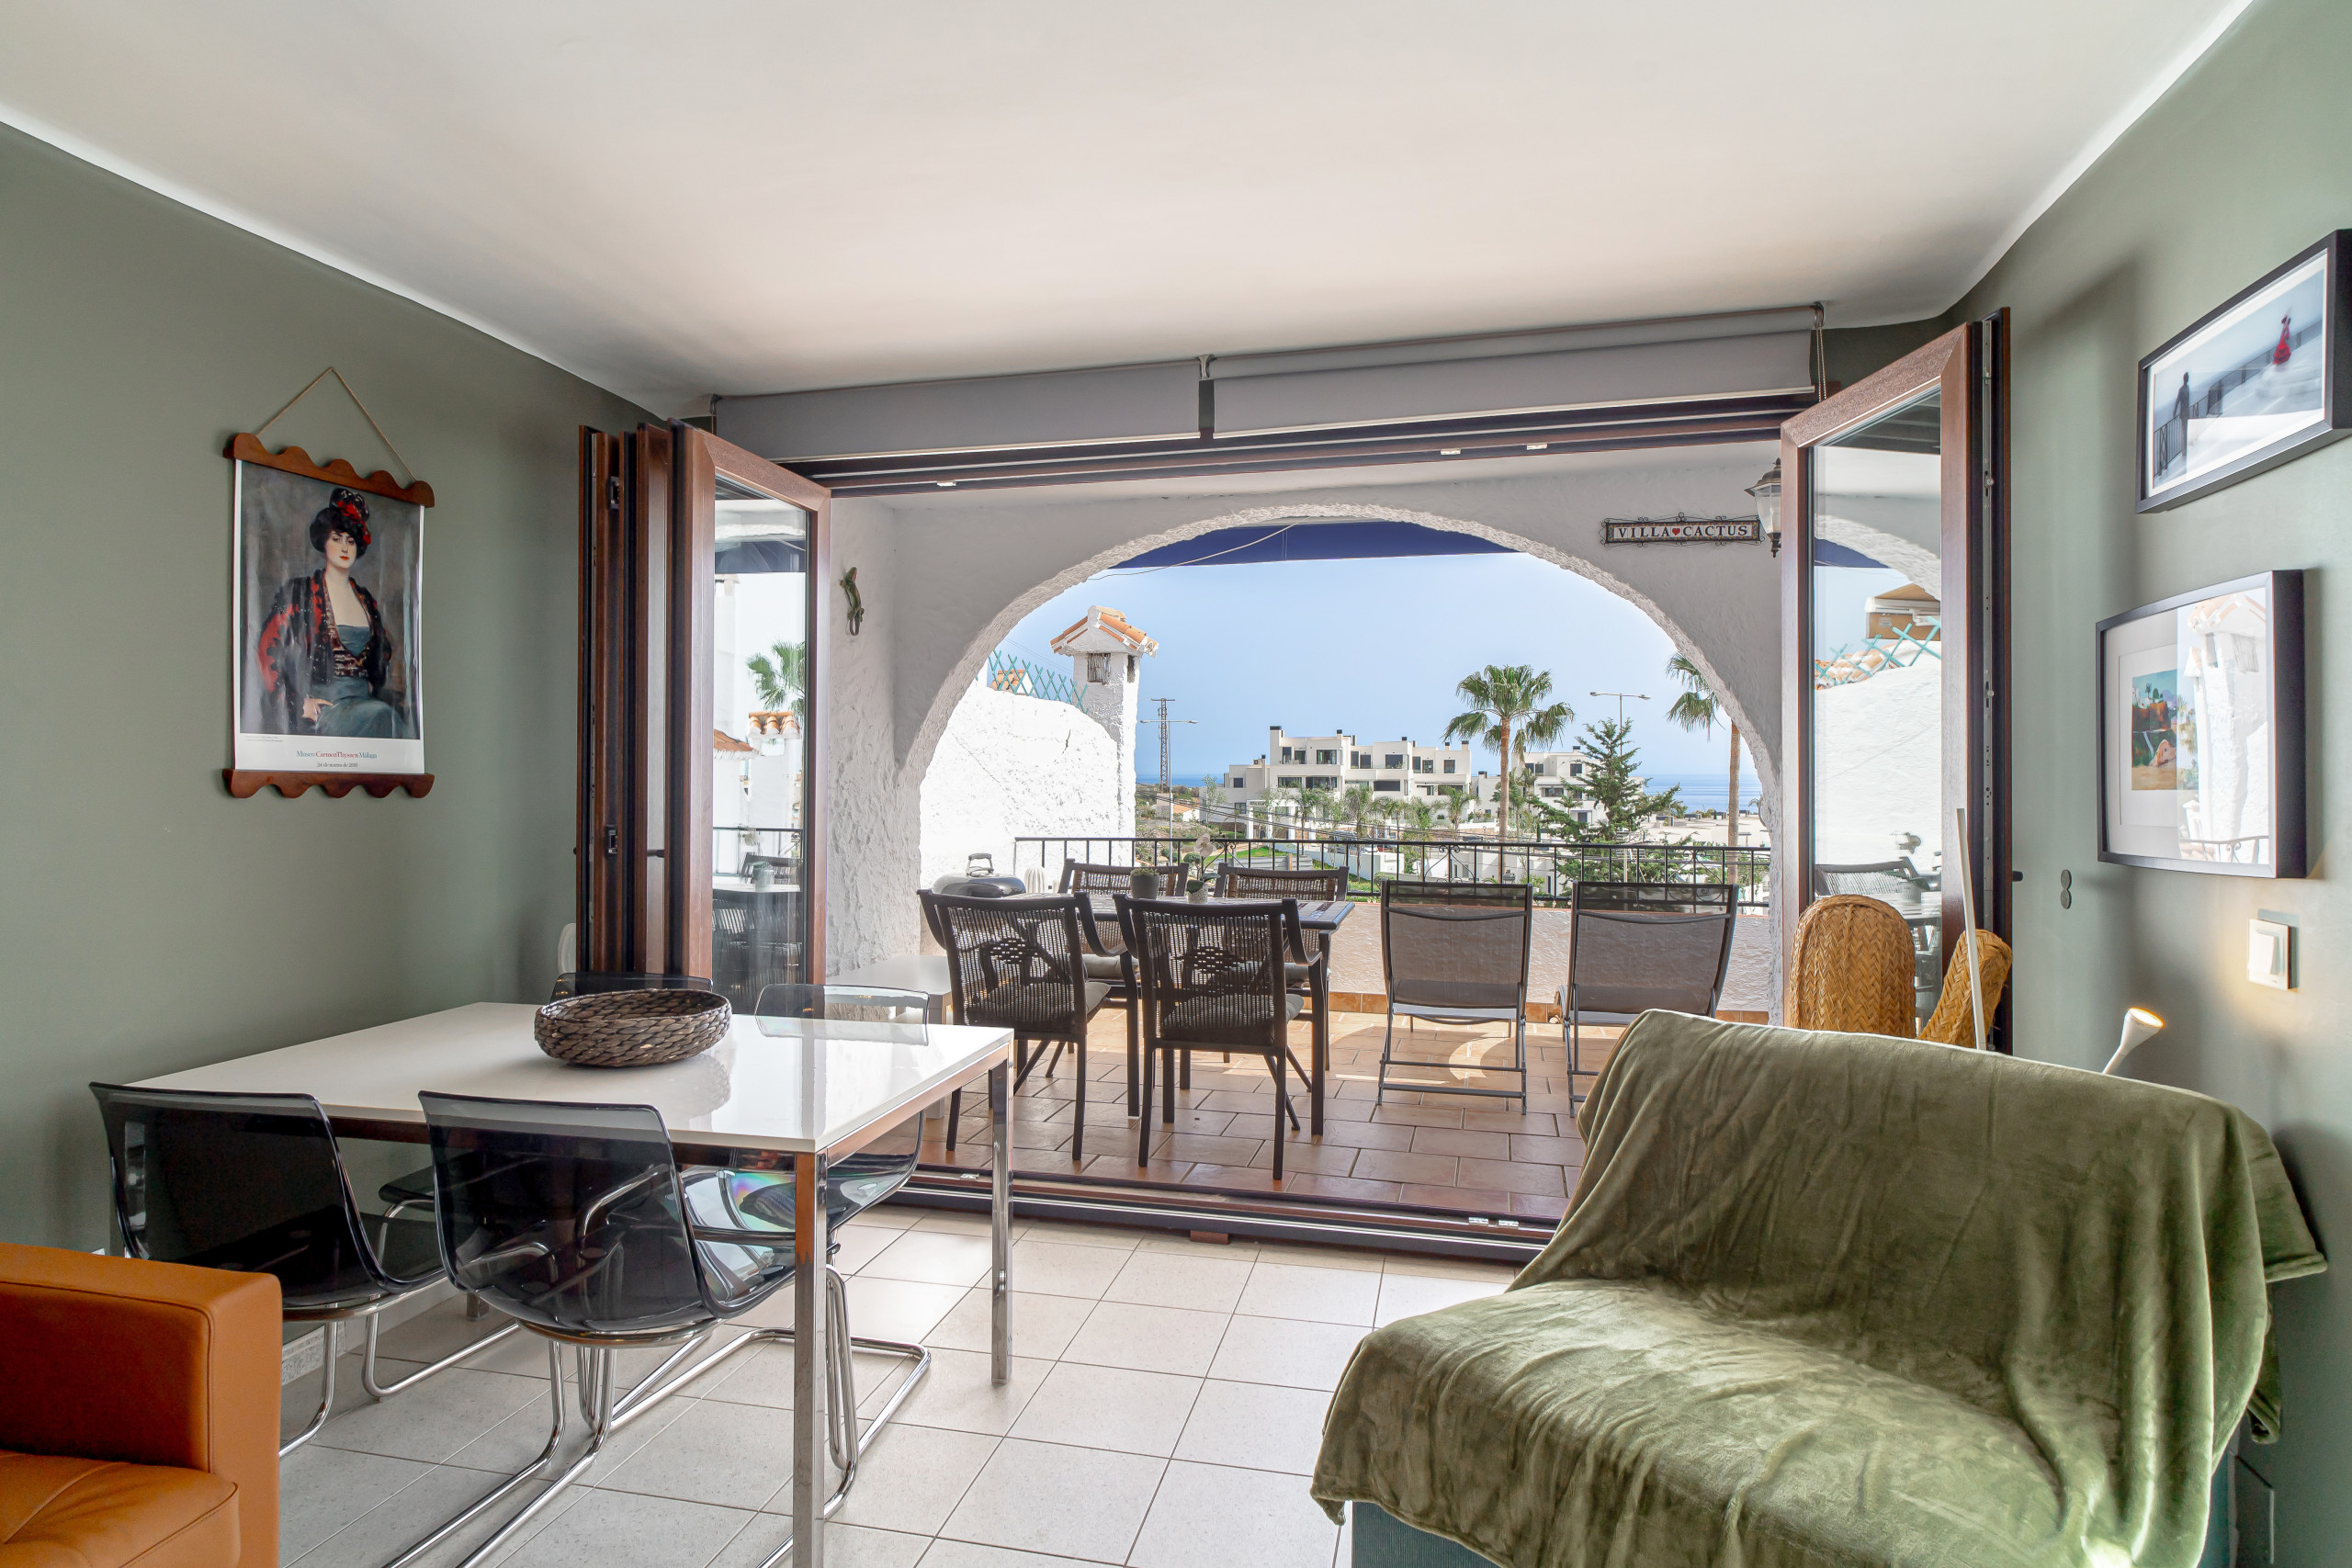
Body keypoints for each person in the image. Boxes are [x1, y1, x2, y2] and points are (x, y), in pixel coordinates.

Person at [255, 487, 401, 737]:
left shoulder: (366, 600)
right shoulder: (302, 592)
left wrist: (368, 684)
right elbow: (266, 649)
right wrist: (298, 702)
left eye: (350, 541)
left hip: (365, 704)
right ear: (324, 542)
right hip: (326, 708)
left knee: (384, 715)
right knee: (384, 716)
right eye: (337, 538)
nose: (344, 548)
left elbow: (383, 653)